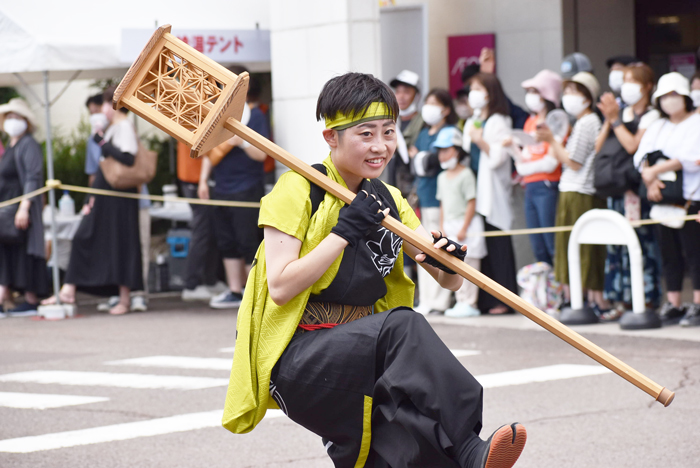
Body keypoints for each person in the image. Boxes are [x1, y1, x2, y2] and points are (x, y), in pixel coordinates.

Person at [222, 71, 527, 468]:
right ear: (331, 136)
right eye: (365, 134)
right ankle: (470, 446)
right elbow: (279, 286)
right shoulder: (297, 190)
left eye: (388, 131)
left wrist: (448, 259)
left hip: (369, 361)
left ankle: (461, 456)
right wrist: (344, 231)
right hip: (301, 358)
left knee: (410, 452)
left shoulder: (389, 198)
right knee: (404, 325)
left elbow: (448, 282)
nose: (380, 146)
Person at [42, 87, 143, 315]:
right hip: (108, 199)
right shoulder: (114, 127)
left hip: (118, 199)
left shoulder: (124, 125)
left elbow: (128, 157)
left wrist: (101, 142)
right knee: (91, 238)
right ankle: (71, 289)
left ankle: (122, 298)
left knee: (119, 244)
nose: (104, 108)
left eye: (107, 102)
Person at [536, 72, 609, 313]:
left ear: (588, 97)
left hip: (580, 191)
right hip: (572, 190)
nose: (568, 97)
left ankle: (584, 299)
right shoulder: (583, 122)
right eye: (566, 92)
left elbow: (574, 162)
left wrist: (551, 140)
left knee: (580, 247)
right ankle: (574, 298)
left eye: (574, 92)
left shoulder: (588, 122)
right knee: (570, 245)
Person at [595, 63, 662, 319]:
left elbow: (633, 146)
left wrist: (614, 120)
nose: (627, 86)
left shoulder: (651, 116)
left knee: (640, 243)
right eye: (625, 80)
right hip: (615, 189)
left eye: (633, 80)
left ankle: (645, 299)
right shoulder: (619, 112)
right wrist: (610, 119)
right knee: (616, 246)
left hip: (634, 191)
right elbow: (598, 147)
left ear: (647, 86)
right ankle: (620, 301)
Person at [633, 72, 700, 326]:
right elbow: (640, 156)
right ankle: (673, 303)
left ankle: (697, 303)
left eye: (675, 95)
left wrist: (654, 171)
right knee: (669, 254)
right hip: (661, 197)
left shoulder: (696, 123)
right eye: (664, 97)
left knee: (694, 254)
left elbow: (691, 158)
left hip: (690, 198)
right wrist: (649, 179)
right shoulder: (657, 126)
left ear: (685, 97)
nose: (670, 101)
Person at [199, 76, 270, 309]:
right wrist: (203, 181)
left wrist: (241, 141)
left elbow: (262, 155)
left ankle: (254, 297)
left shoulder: (255, 115)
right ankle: (234, 291)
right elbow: (209, 150)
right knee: (227, 241)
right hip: (221, 188)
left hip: (246, 188)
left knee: (248, 242)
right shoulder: (218, 114)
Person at [463, 73, 518, 314]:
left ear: (490, 92)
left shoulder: (499, 120)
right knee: (481, 248)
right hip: (474, 190)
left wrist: (480, 141)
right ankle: (485, 300)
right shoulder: (473, 119)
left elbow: (498, 158)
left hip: (492, 194)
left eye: (478, 88)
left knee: (498, 246)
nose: (473, 92)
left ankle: (504, 300)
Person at [409, 88, 457, 315]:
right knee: (424, 248)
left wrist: (419, 158)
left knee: (440, 248)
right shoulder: (423, 133)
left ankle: (440, 300)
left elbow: (430, 163)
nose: (429, 108)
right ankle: (427, 299)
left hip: (442, 199)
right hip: (424, 196)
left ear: (446, 109)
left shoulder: (449, 132)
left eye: (434, 103)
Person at [0, 98, 49, 315]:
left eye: (17, 117)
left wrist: (24, 206)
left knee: (24, 250)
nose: (12, 121)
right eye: (9, 117)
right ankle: (9, 295)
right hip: (6, 211)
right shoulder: (11, 145)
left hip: (19, 210)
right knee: (10, 252)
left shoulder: (28, 144)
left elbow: (33, 176)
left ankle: (30, 298)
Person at [513, 69, 563, 266]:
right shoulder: (530, 121)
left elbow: (551, 163)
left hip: (547, 186)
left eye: (536, 91)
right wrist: (512, 148)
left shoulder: (557, 120)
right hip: (530, 187)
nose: (531, 96)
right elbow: (524, 157)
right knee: (538, 246)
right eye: (530, 91)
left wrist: (524, 168)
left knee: (552, 244)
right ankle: (547, 292)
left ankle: (564, 293)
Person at [435, 127, 486, 317]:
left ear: (456, 150)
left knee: (470, 264)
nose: (442, 155)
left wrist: (464, 227)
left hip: (467, 225)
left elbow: (471, 202)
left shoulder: (466, 174)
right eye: (439, 151)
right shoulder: (441, 177)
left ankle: (470, 302)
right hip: (450, 225)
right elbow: (442, 204)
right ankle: (460, 301)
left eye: (446, 150)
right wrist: (442, 226)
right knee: (454, 264)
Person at [177, 141, 223, 301]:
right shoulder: (192, 119)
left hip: (198, 179)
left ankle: (209, 280)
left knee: (211, 230)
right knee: (202, 231)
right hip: (195, 180)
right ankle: (192, 284)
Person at [387, 69, 423, 198]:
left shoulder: (424, 123)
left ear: (417, 96)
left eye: (407, 92)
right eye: (398, 91)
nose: (401, 96)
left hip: (413, 190)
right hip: (391, 186)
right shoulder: (390, 121)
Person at [84, 93, 105, 187]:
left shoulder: (119, 129)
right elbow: (92, 172)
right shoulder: (92, 139)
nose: (94, 117)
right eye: (91, 113)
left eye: (96, 111)